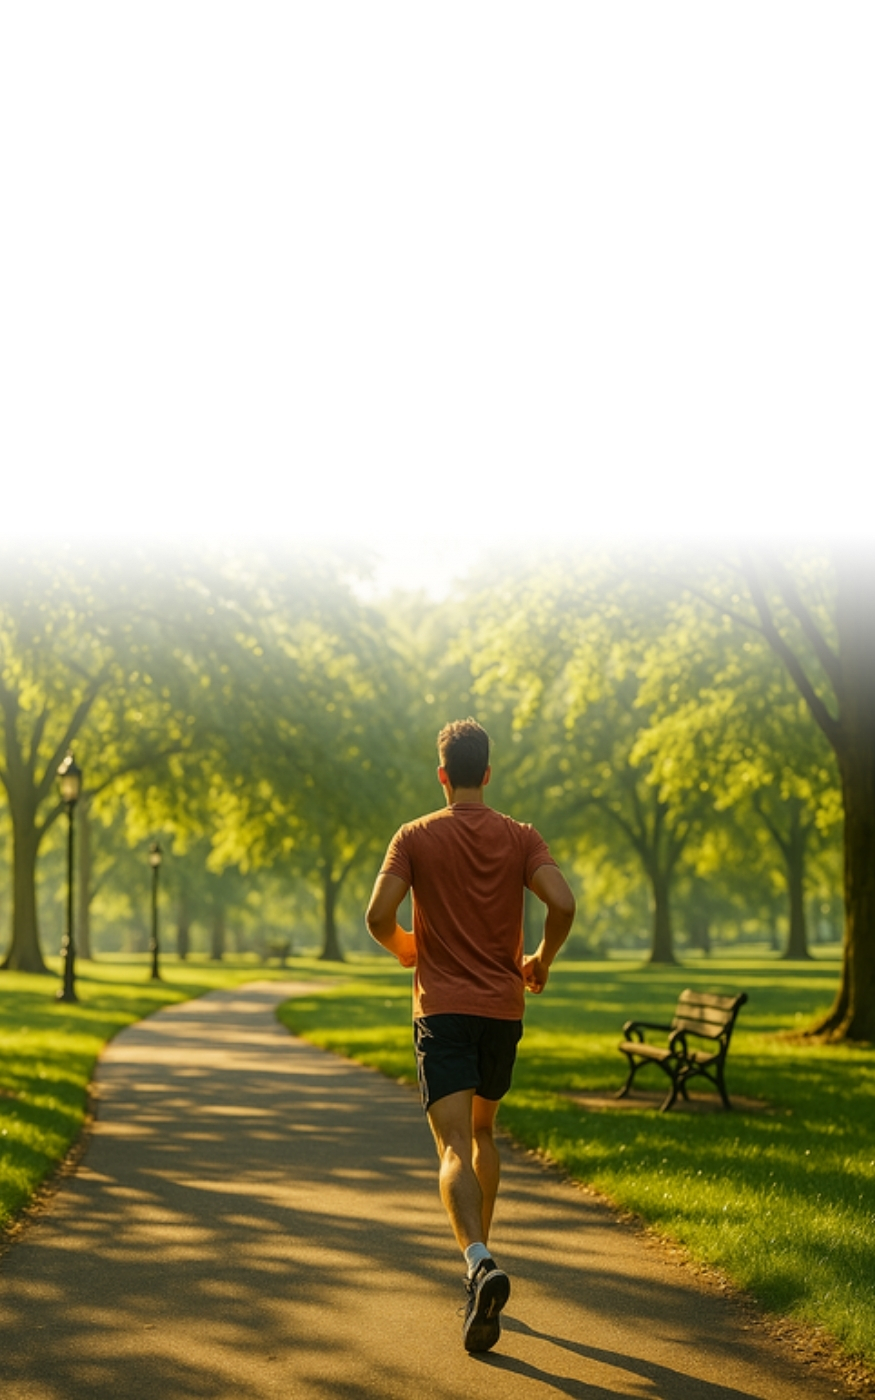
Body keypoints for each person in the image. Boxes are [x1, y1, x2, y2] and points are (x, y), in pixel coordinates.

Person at [365, 717, 576, 1354]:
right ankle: (478, 1265)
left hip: (442, 1012)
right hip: (501, 1013)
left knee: (453, 1146)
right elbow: (561, 903)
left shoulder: (414, 837)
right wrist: (541, 958)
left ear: (442, 774)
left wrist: (408, 948)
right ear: (487, 773)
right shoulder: (520, 836)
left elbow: (379, 916)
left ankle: (479, 1262)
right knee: (483, 1134)